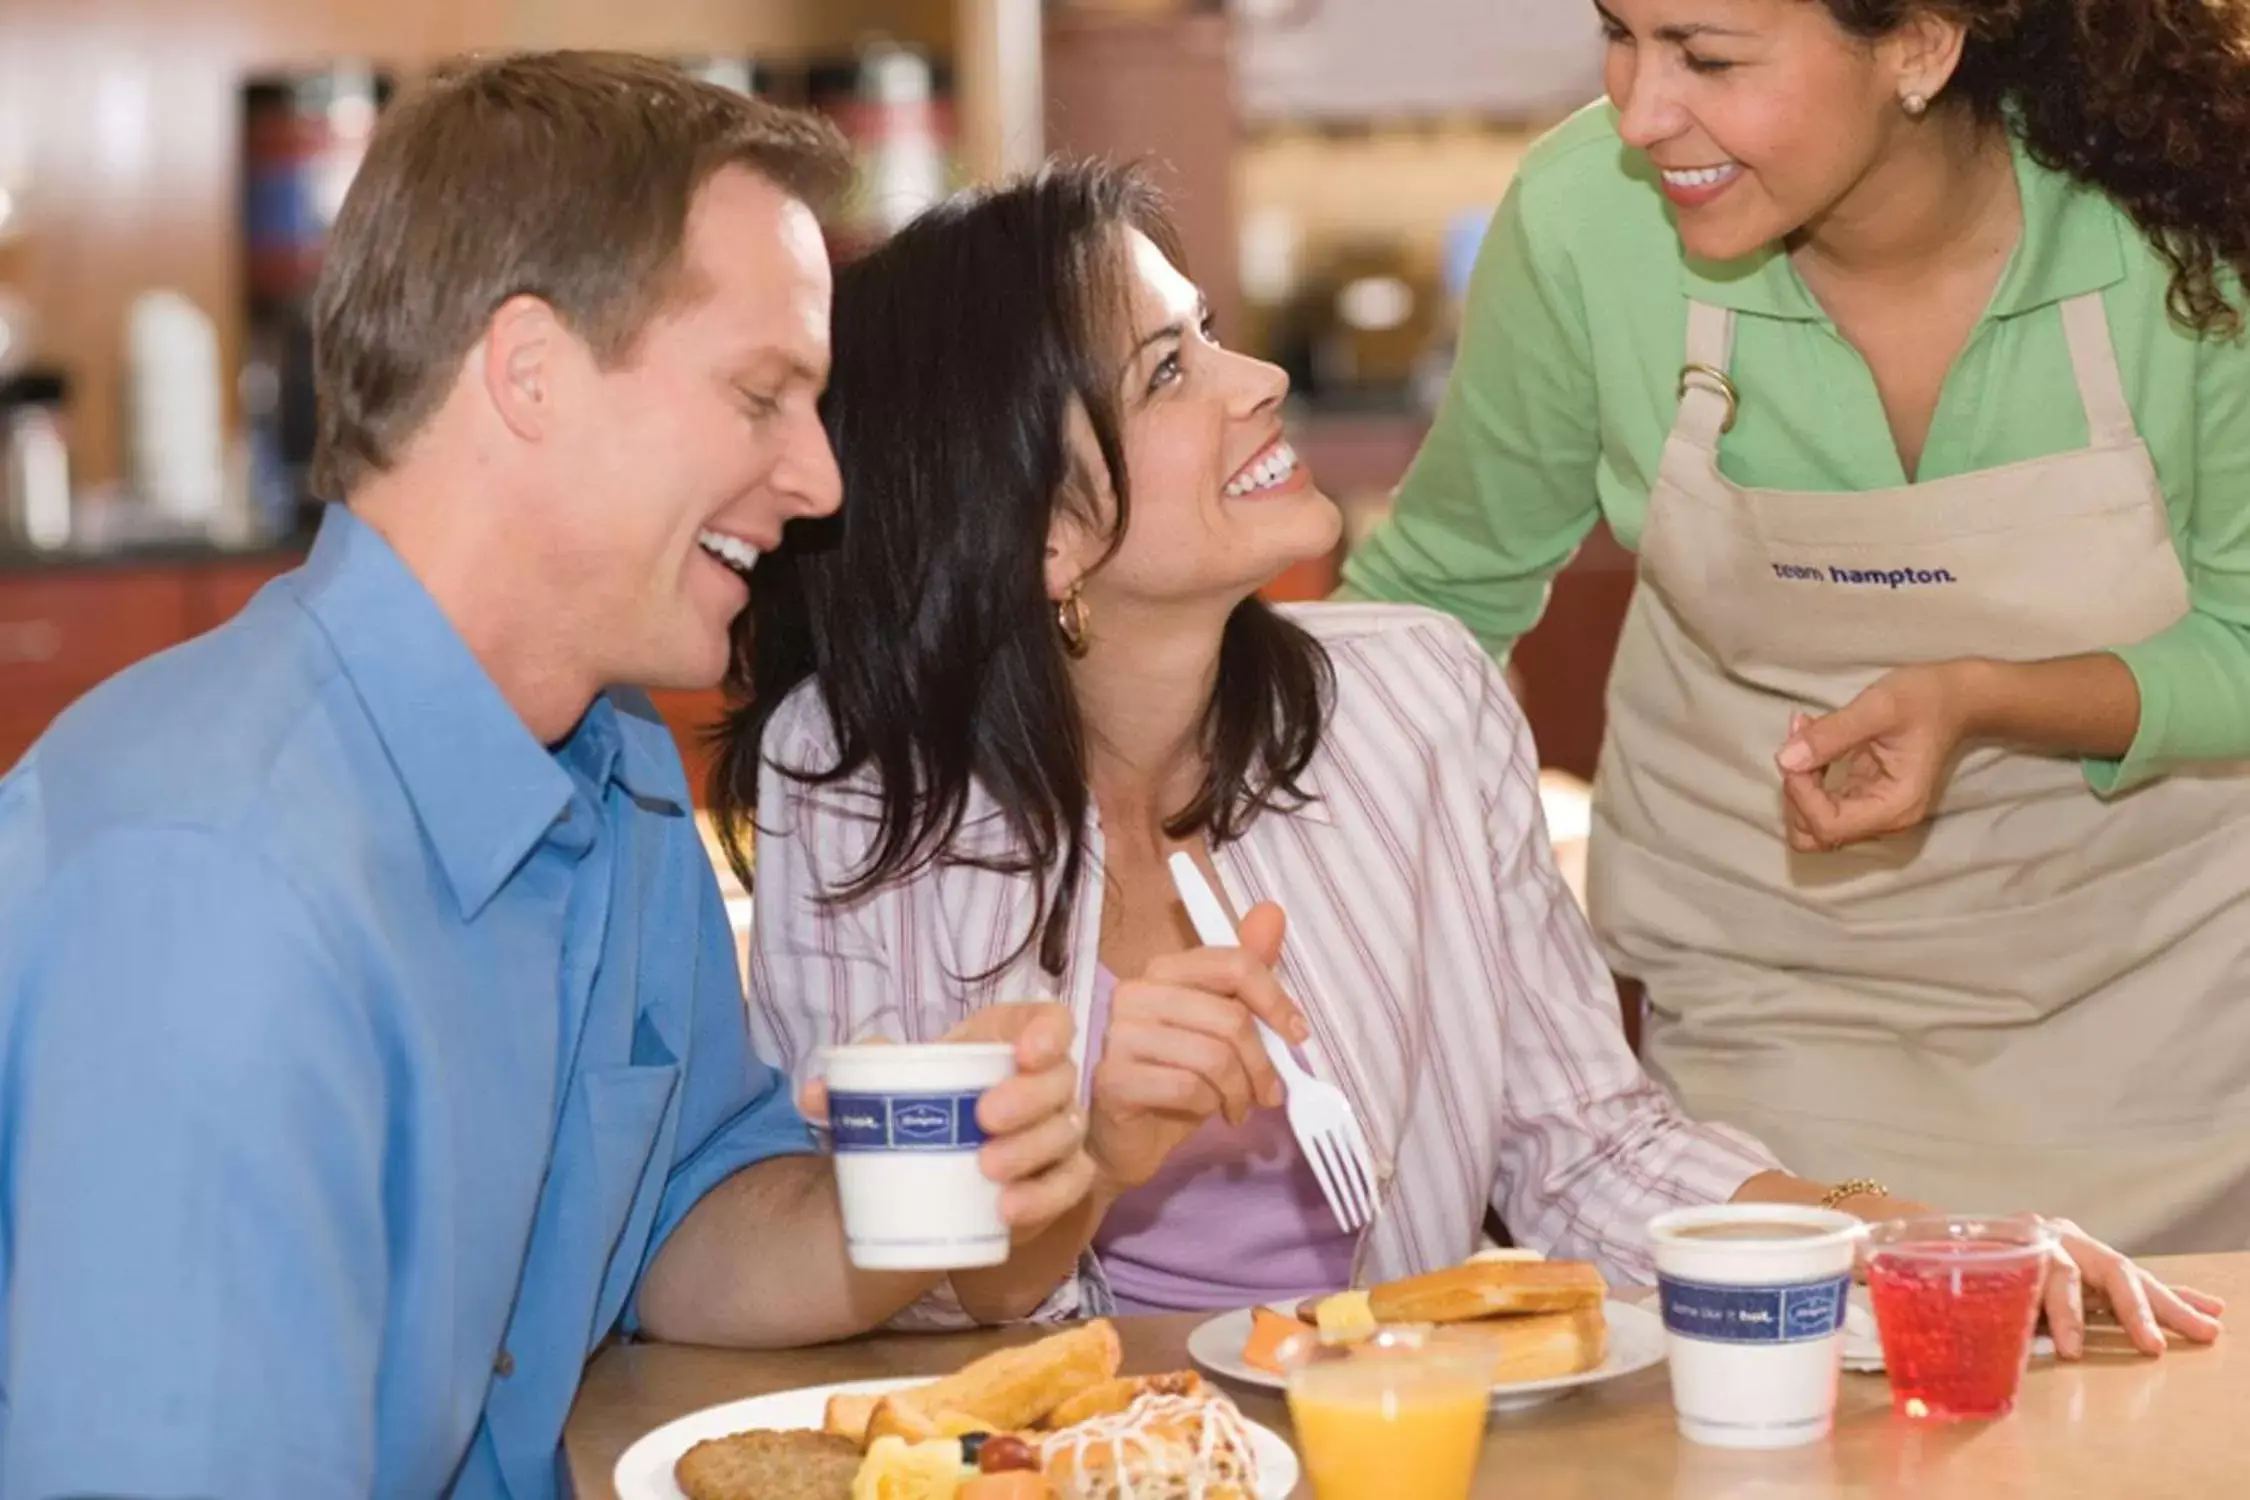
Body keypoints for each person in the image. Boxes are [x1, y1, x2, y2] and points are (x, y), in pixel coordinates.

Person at [711, 159, 2219, 1353]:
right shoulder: (850, 784)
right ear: (1034, 523)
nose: (1258, 385)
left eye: (1214, 335)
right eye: (1169, 372)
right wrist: (1092, 1153)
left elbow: (1584, 1151)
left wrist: (1902, 1241)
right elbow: (882, 1290)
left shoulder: (1413, 707)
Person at [0, 53, 1092, 1500]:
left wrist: (928, 1199)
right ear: (528, 373)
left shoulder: (616, 764)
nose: (821, 480)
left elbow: (675, 1222)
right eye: (764, 394)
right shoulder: (213, 898)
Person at [1341, 0, 2250, 1255]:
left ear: (1921, 49)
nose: (1642, 110)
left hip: (2181, 1021)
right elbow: (1434, 599)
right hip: (1774, 1021)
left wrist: (1986, 698)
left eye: (1707, 57)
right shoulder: (1589, 224)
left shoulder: (2186, 224)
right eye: (1620, 33)